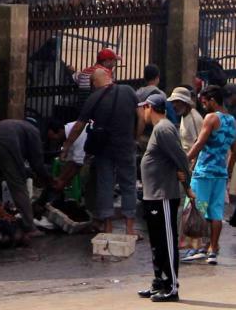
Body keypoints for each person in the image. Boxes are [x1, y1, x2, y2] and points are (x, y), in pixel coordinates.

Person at [62, 68, 139, 235]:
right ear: (109, 77)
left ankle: (108, 227)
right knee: (128, 185)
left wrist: (67, 146)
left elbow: (78, 126)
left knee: (105, 185)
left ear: (95, 82)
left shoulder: (93, 98)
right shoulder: (128, 91)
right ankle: (130, 229)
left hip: (104, 149)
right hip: (126, 146)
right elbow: (140, 115)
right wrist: (135, 137)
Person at [138, 92, 190, 303]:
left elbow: (181, 159)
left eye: (144, 108)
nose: (142, 112)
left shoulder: (164, 129)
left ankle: (172, 286)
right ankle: (159, 282)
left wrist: (187, 185)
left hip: (164, 195)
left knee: (167, 242)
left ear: (150, 108)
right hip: (153, 195)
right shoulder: (158, 129)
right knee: (156, 242)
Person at [185, 84, 236, 265]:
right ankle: (213, 250)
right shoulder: (231, 120)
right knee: (215, 213)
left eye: (205, 102)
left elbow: (199, 143)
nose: (204, 106)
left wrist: (184, 161)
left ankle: (196, 248)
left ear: (213, 101)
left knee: (196, 209)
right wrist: (228, 170)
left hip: (204, 172)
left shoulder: (211, 118)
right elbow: (234, 150)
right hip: (220, 173)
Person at [0, 117, 57, 233]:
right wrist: (47, 178)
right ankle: (30, 227)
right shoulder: (34, 132)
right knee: (18, 185)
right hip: (5, 143)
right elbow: (37, 163)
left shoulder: (18, 126)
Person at [168, 87, 204, 154]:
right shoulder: (184, 115)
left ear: (185, 102)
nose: (174, 105)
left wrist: (189, 161)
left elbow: (199, 146)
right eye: (173, 102)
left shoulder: (194, 119)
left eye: (177, 102)